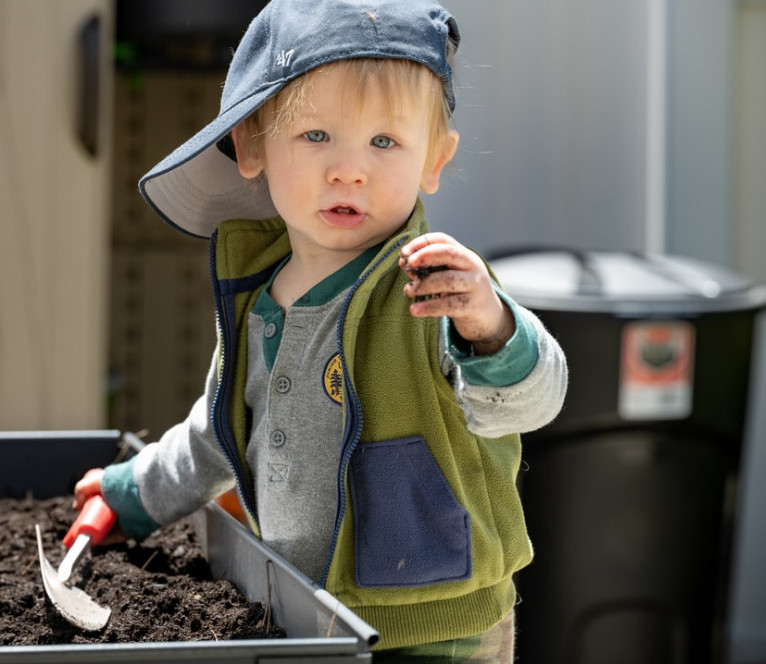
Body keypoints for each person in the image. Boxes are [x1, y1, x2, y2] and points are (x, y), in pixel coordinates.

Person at [73, 0, 567, 661]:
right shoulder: (256, 299)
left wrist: (492, 329)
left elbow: (531, 401)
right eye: (315, 136)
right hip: (306, 615)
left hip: (436, 629)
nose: (349, 169)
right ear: (252, 145)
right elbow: (220, 433)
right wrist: (133, 495)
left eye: (384, 142)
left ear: (435, 160)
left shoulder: (436, 289)